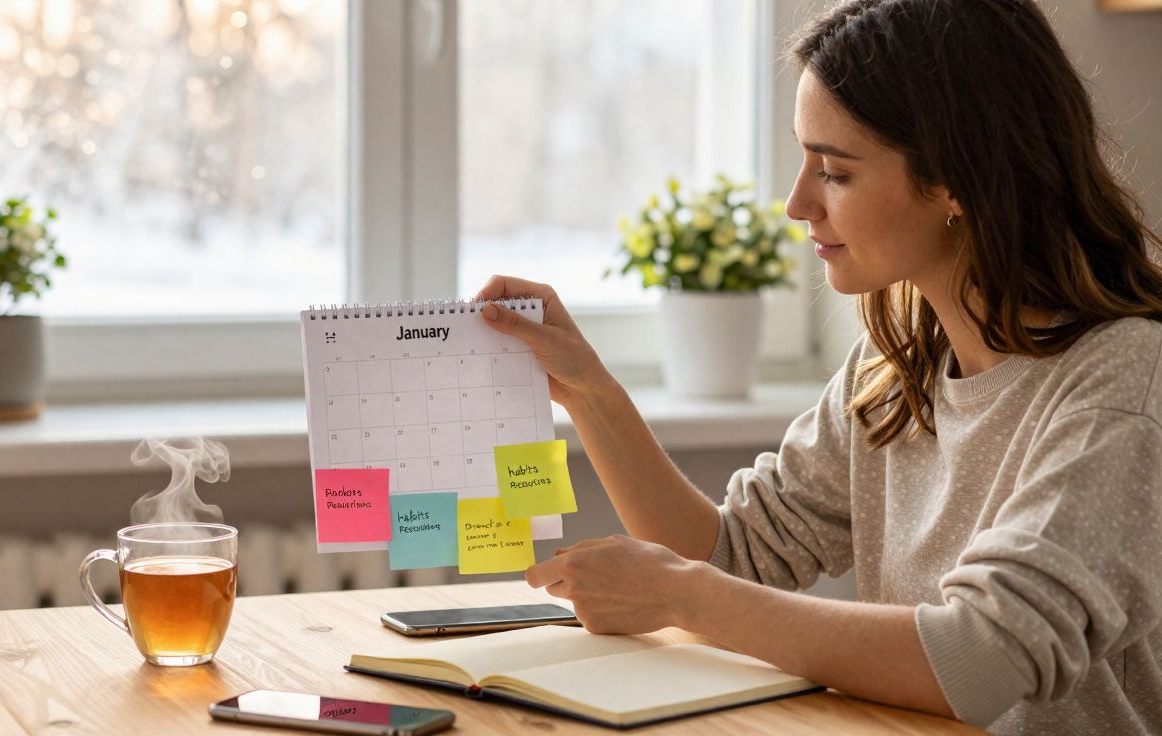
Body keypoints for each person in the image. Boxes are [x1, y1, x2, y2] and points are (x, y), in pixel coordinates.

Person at [471, 1, 1162, 733]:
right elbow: (731, 556)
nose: (798, 203)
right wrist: (589, 390)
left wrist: (684, 596)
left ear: (958, 179)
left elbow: (981, 657)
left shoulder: (1124, 382)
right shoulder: (897, 365)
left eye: (833, 171)